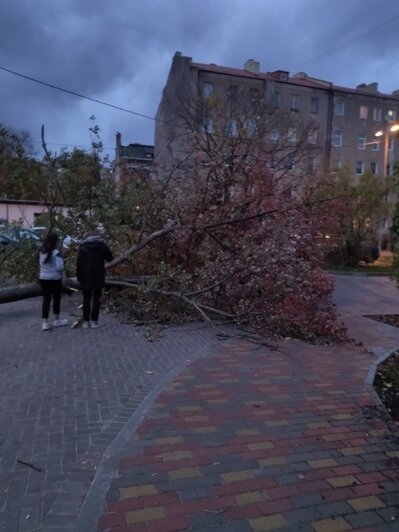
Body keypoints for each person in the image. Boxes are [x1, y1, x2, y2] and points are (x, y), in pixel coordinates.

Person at [76, 233, 113, 329]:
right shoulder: (102, 247)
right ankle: (94, 321)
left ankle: (85, 321)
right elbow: (110, 258)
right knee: (97, 299)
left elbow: (78, 264)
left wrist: (79, 277)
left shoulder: (82, 248)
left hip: (85, 277)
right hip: (98, 276)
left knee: (86, 299)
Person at [39, 232, 69, 331]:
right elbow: (60, 267)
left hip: (43, 278)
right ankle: (57, 320)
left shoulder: (41, 251)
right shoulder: (56, 253)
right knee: (56, 299)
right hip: (54, 279)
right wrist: (63, 276)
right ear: (55, 241)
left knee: (46, 300)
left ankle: (45, 323)